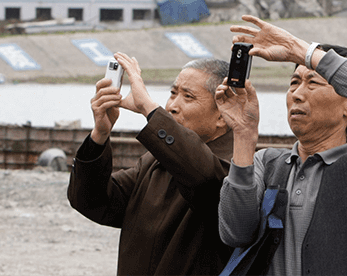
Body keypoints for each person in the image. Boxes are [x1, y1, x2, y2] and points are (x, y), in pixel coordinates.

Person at [215, 15, 347, 276]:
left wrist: (300, 50)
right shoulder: (267, 163)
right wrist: (244, 137)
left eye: (312, 82)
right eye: (294, 82)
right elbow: (235, 232)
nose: (297, 94)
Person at [68, 52, 235, 275]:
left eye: (188, 97)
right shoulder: (155, 162)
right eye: (173, 93)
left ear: (222, 115)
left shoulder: (236, 169)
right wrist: (99, 136)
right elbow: (92, 201)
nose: (172, 106)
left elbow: (204, 179)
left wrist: (148, 107)